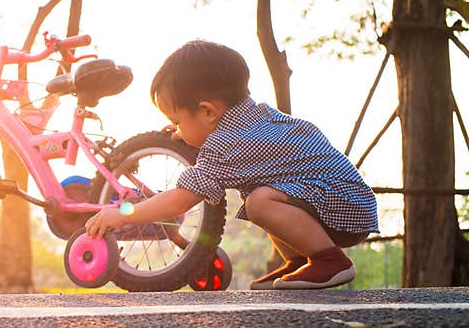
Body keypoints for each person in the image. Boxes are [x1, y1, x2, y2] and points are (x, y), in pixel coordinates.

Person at [84, 40, 379, 290]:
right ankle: (300, 262)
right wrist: (187, 131)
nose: (176, 129)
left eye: (178, 121)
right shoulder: (253, 118)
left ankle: (329, 260)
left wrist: (123, 215)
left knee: (260, 201)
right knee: (260, 191)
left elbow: (180, 201)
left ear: (208, 111)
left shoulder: (226, 145)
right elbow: (221, 140)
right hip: (349, 200)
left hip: (342, 212)